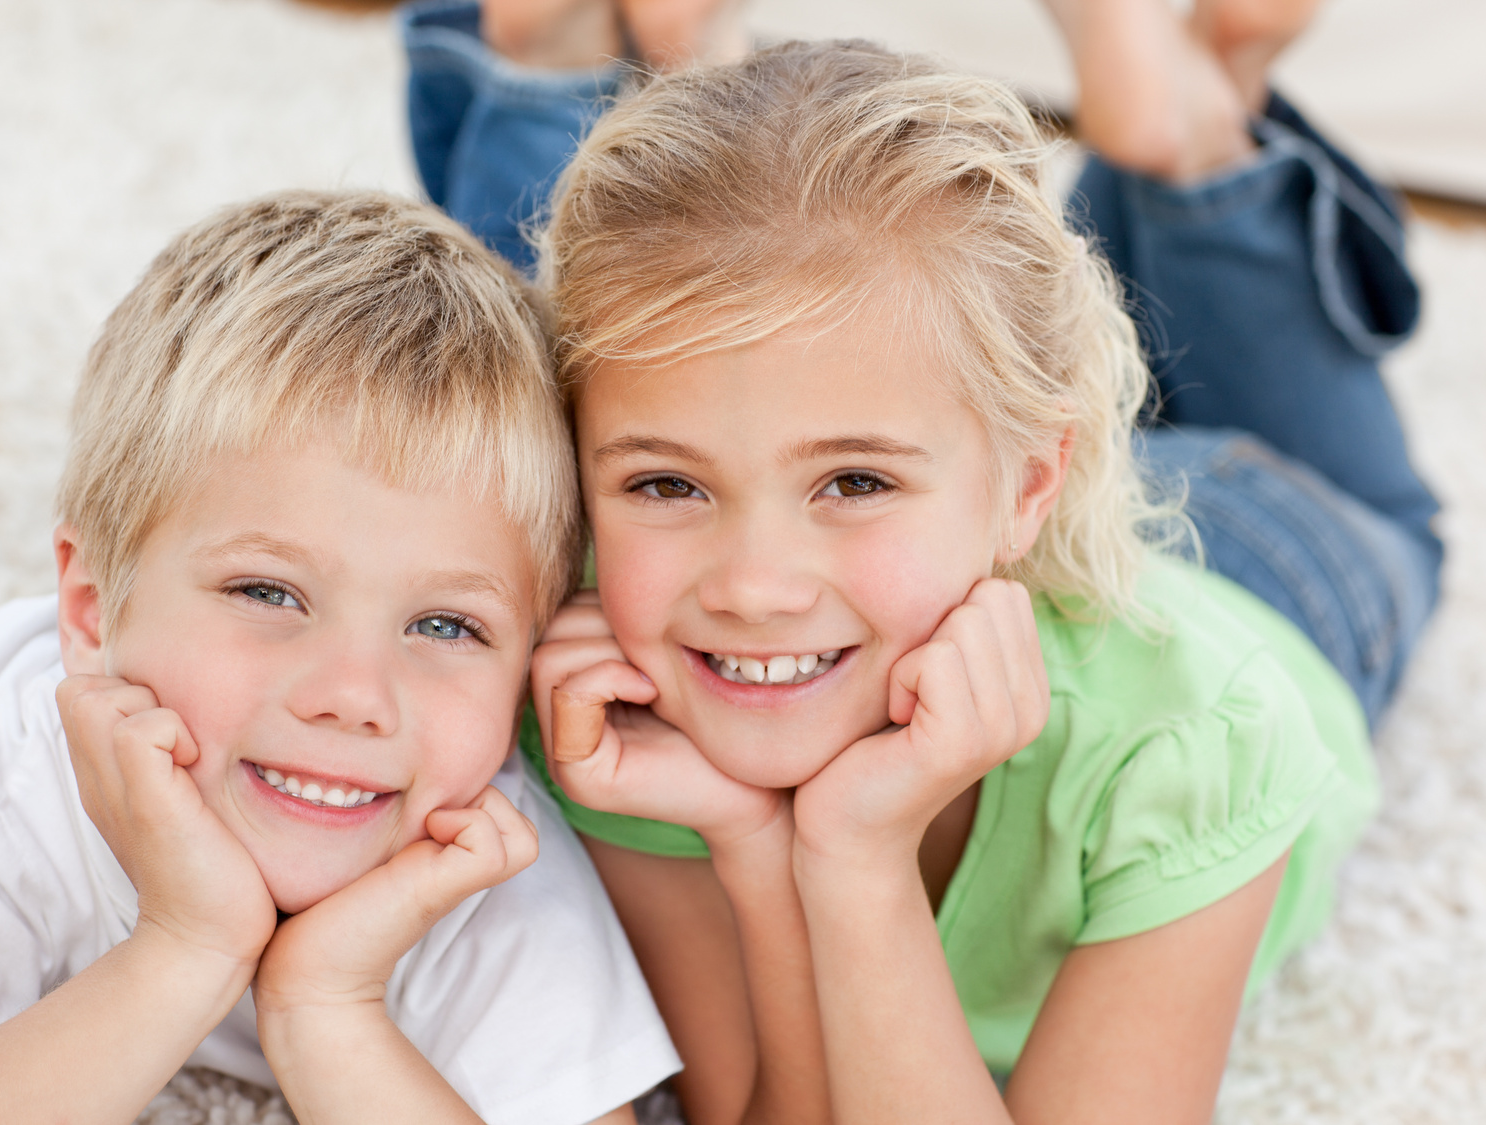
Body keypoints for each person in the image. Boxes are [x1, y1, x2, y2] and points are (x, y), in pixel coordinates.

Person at [399, 0, 1443, 1119]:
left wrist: (856, 869)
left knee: (1399, 529)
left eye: (852, 483)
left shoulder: (1190, 747)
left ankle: (1184, 150)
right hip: (958, 484)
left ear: (1032, 487)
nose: (754, 587)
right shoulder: (621, 706)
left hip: (1266, 557)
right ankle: (1171, 125)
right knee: (619, 328)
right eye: (665, 484)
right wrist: (761, 847)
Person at [0, 191, 680, 1125]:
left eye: (446, 626)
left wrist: (326, 1007)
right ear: (92, 612)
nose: (354, 697)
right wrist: (183, 948)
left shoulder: (481, 847)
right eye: (269, 593)